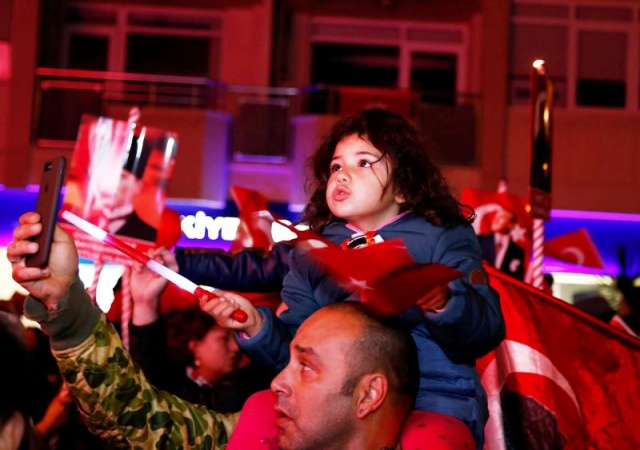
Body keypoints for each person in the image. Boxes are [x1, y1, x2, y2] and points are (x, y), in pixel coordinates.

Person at [7, 214, 471, 449]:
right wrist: (64, 306)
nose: (276, 381)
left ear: (370, 395)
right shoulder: (252, 435)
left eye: (306, 366)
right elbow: (133, 417)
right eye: (288, 360)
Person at [195, 108, 505, 448]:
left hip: (431, 398)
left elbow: (485, 331)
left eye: (363, 163)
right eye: (336, 166)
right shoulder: (312, 251)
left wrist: (446, 302)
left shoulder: (444, 235)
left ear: (402, 186)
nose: (342, 175)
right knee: (259, 410)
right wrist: (255, 326)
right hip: (335, 407)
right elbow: (295, 356)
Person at [127, 259, 276, 412]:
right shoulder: (177, 390)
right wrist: (145, 302)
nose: (235, 347)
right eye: (224, 339)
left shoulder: (243, 386)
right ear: (194, 345)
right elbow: (156, 380)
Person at [477, 207, 525, 280]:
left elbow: (517, 280)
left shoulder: (517, 252)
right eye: (496, 217)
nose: (495, 220)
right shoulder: (479, 241)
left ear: (511, 225)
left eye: (501, 217)